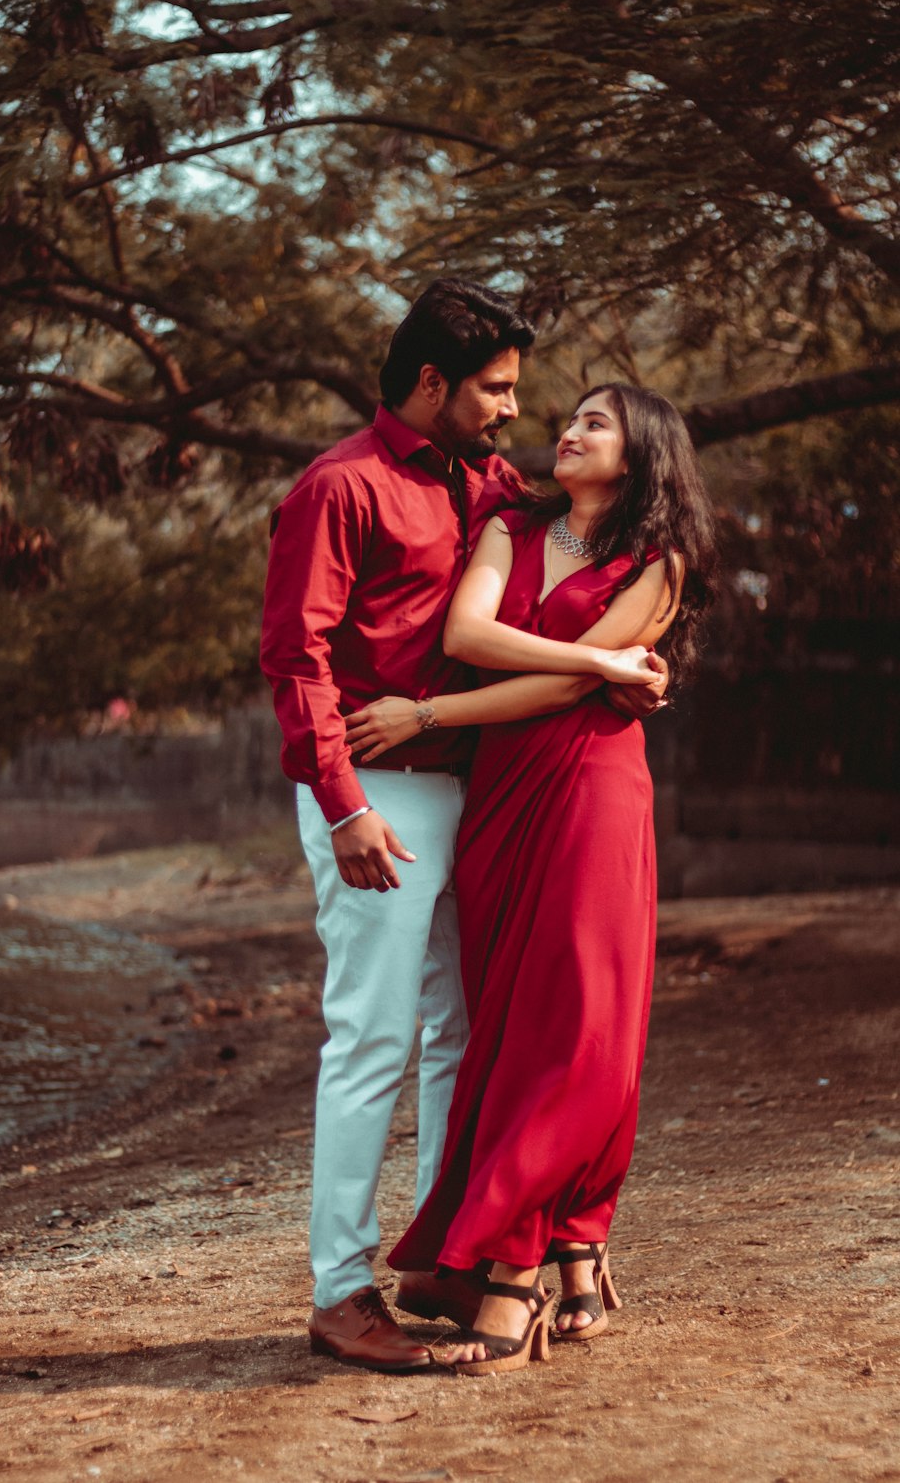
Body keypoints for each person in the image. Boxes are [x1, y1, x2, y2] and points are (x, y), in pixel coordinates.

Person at [260, 283, 666, 1373]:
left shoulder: (491, 485)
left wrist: (630, 666)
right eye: (494, 390)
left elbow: (592, 560)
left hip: (483, 793)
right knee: (372, 1037)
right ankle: (340, 1293)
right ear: (431, 383)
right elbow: (295, 658)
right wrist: (341, 803)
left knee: (465, 1034)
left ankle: (452, 1257)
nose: (510, 412)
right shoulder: (338, 488)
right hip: (378, 791)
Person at [344, 382, 716, 1374]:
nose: (569, 428)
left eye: (596, 421)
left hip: (591, 784)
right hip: (501, 801)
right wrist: (604, 663)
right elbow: (467, 639)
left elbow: (557, 686)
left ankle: (510, 1273)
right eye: (573, 415)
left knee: (583, 1025)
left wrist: (426, 718)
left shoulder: (658, 562)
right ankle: (576, 1247)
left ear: (640, 453)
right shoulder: (512, 525)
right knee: (507, 1025)